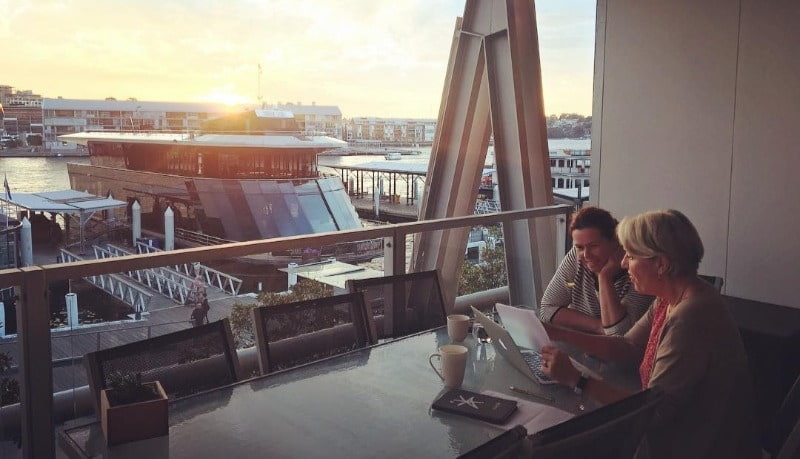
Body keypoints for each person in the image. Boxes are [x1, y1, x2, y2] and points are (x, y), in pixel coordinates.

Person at [539, 209, 759, 459]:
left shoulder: (690, 318)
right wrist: (560, 334)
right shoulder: (672, 298)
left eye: (630, 256)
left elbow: (652, 412)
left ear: (662, 264)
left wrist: (578, 380)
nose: (622, 263)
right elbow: (628, 345)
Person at [539, 206, 654, 336]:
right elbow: (547, 310)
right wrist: (599, 327)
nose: (586, 255)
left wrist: (604, 277)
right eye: (579, 247)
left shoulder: (639, 271)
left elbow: (618, 333)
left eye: (594, 246)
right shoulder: (577, 257)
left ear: (616, 242)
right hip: (584, 347)